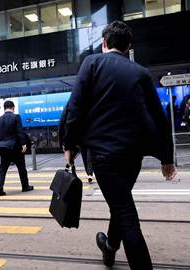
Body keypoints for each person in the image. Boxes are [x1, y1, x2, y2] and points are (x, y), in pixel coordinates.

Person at [62, 21, 176, 270]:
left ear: (104, 43)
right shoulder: (141, 73)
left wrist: (68, 144)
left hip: (103, 156)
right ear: (128, 47)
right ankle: (110, 246)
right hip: (132, 156)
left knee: (125, 214)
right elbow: (159, 117)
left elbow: (75, 107)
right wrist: (167, 158)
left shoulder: (91, 63)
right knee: (121, 203)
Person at [0, 100, 34, 196]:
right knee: (21, 167)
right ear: (13, 107)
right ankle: (25, 186)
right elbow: (20, 131)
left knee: (2, 168)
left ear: (4, 108)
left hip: (3, 147)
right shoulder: (16, 117)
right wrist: (24, 144)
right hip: (15, 147)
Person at [59, 104, 95, 183]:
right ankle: (71, 168)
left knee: (88, 157)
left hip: (87, 138)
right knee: (81, 156)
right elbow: (62, 124)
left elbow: (62, 124)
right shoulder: (72, 108)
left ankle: (89, 173)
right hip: (78, 140)